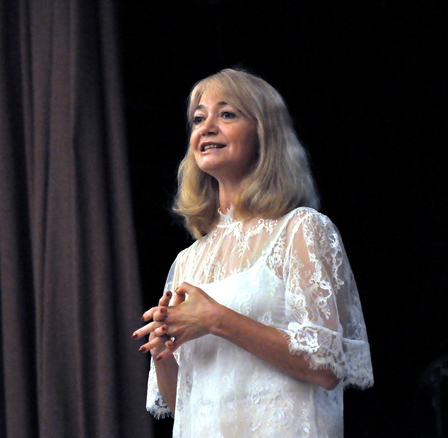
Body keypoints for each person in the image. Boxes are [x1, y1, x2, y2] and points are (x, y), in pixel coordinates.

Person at [132, 68, 373, 437]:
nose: (207, 127)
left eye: (227, 114)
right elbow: (183, 404)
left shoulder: (301, 229)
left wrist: (216, 318)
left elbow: (325, 366)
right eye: (199, 118)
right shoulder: (187, 262)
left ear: (265, 134)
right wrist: (163, 351)